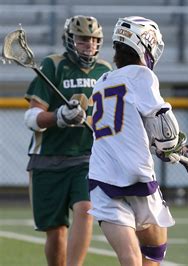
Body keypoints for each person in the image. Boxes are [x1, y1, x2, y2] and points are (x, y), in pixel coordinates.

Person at [87, 16, 188, 265]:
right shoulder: (142, 76)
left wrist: (175, 151)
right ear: (144, 44)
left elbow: (134, 128)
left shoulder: (101, 83)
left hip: (102, 179)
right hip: (136, 178)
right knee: (153, 253)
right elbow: (165, 130)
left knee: (132, 258)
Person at [23, 15, 111, 266]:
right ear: (70, 39)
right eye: (83, 39)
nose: (89, 45)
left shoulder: (105, 71)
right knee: (56, 231)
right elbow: (31, 117)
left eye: (94, 40)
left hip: (86, 157)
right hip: (47, 158)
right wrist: (60, 116)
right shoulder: (53, 65)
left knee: (85, 210)